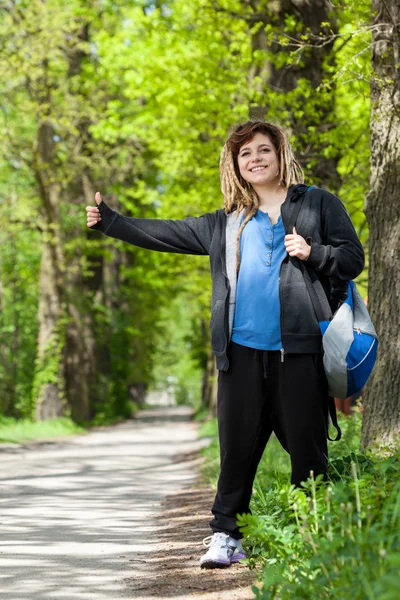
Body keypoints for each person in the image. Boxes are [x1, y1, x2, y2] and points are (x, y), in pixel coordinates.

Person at [86, 120, 364, 569]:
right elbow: (166, 233)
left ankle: (313, 534)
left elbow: (353, 258)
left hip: (300, 350)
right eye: (244, 154)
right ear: (236, 164)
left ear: (280, 153)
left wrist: (314, 253)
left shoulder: (317, 204)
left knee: (308, 448)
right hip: (239, 353)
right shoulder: (226, 221)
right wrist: (112, 223)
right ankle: (226, 535)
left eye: (262, 150)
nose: (254, 159)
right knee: (236, 449)